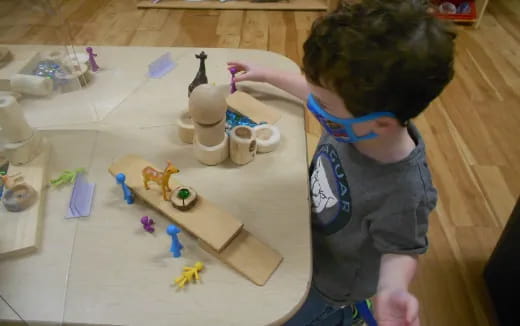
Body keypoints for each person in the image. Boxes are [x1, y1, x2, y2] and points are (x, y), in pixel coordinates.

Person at [228, 0, 455, 325]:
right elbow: (313, 91)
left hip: (329, 284)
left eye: (322, 105)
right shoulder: (355, 119)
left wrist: (392, 289)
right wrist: (267, 76)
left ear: (381, 123)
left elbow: (401, 248)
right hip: (306, 235)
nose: (314, 107)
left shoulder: (405, 191)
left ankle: (344, 317)